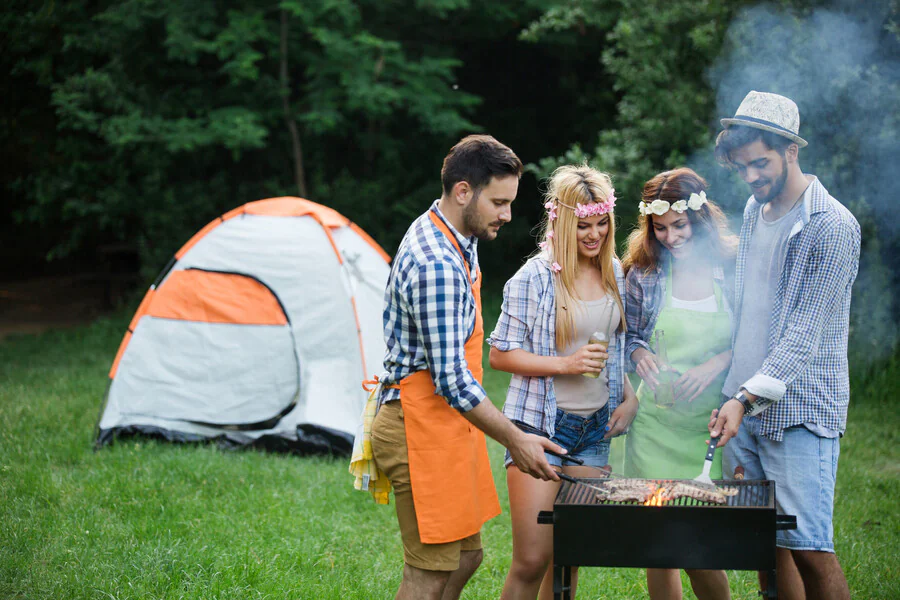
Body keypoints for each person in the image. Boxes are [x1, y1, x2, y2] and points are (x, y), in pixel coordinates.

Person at [370, 134, 567, 600]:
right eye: (499, 202)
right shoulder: (436, 262)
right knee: (430, 572)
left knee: (466, 557)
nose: (507, 214)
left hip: (443, 422)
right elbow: (452, 380)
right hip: (416, 424)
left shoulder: (458, 233)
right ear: (463, 191)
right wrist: (516, 439)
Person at [709, 91, 860, 600]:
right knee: (765, 546)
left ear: (792, 150)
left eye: (760, 163)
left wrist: (743, 398)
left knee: (811, 548)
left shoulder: (832, 226)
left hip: (798, 410)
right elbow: (751, 309)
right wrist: (732, 388)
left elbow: (802, 337)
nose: (751, 177)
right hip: (743, 403)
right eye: (741, 166)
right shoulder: (755, 209)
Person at [488, 164, 639, 600]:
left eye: (601, 223)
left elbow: (612, 348)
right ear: (561, 221)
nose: (593, 235)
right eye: (583, 226)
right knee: (532, 560)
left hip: (594, 428)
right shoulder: (534, 278)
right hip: (540, 427)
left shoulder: (613, 269)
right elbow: (500, 354)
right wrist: (566, 365)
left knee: (568, 559)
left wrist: (627, 396)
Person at [621, 167, 737, 600]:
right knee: (660, 547)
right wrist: (640, 353)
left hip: (710, 428)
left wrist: (717, 364)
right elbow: (629, 335)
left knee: (700, 549)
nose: (671, 238)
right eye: (661, 229)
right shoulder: (645, 273)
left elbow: (755, 337)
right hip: (656, 426)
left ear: (701, 218)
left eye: (680, 226)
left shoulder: (734, 267)